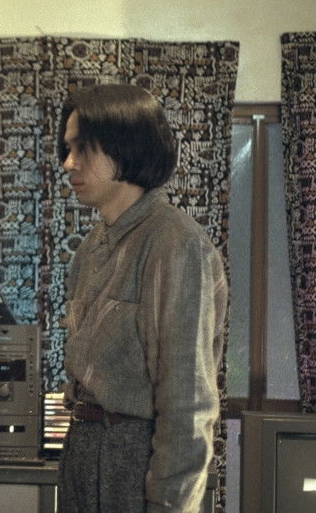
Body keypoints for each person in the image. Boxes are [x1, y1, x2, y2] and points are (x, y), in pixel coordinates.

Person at [56, 84, 227, 512]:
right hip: (83, 452)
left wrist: (169, 504)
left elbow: (187, 403)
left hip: (134, 461)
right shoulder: (91, 248)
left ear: (124, 148)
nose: (69, 163)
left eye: (82, 148)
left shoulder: (175, 244)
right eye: (68, 149)